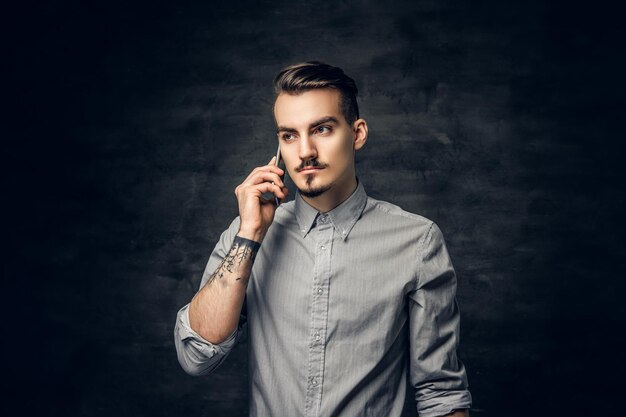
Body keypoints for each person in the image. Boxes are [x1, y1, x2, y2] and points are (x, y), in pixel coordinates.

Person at [174, 61, 472, 417]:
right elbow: (195, 356)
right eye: (289, 135)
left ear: (357, 133)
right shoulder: (247, 234)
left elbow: (441, 395)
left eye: (322, 129)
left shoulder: (417, 241)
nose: (305, 152)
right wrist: (250, 234)